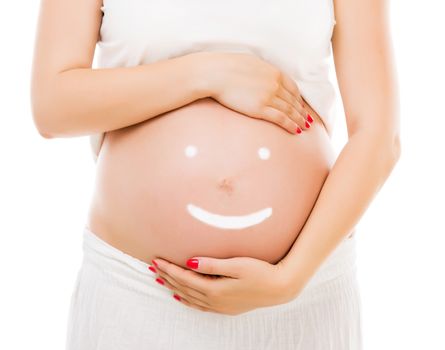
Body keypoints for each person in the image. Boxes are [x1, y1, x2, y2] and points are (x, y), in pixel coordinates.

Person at [30, 0, 400, 349]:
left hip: (305, 294)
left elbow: (379, 135)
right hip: (138, 291)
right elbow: (53, 105)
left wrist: (289, 279)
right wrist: (208, 73)